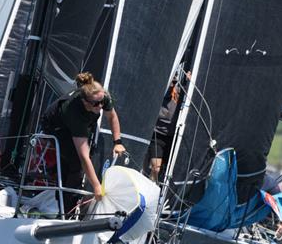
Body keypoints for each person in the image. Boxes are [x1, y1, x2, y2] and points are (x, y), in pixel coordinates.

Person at [41, 72, 126, 207]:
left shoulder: (101, 96)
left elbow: (112, 117)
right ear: (85, 102)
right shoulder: (74, 111)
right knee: (76, 164)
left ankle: (69, 195)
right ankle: (66, 208)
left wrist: (118, 142)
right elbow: (83, 156)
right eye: (96, 104)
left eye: (102, 102)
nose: (100, 106)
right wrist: (97, 186)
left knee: (84, 161)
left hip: (83, 123)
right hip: (58, 127)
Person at [147, 70, 189, 182]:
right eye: (171, 81)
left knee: (168, 170)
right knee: (156, 168)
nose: (172, 83)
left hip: (174, 138)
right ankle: (152, 188)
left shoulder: (182, 94)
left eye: (174, 81)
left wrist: (190, 81)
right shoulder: (163, 94)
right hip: (158, 136)